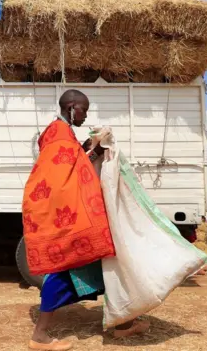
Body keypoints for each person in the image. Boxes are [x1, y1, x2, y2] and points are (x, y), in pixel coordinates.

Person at [23, 90, 149, 351]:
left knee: (105, 263)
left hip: (72, 213)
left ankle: (122, 324)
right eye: (84, 109)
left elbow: (72, 163)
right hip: (67, 216)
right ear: (71, 107)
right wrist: (95, 152)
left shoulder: (62, 132)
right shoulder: (58, 132)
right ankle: (40, 336)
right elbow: (62, 176)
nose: (86, 115)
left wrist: (92, 150)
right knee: (63, 272)